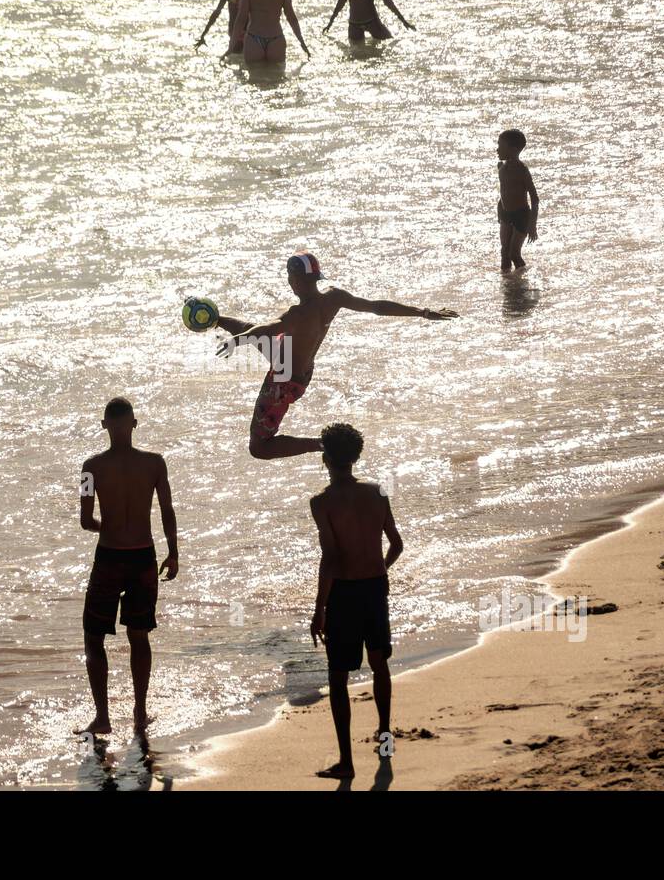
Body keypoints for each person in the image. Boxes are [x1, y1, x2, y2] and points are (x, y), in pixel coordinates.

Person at [214, 253, 458, 460]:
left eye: (290, 278)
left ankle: (324, 444)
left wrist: (236, 341)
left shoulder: (297, 314)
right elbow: (376, 307)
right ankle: (216, 319)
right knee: (255, 332)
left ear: (295, 280)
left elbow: (270, 327)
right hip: (296, 365)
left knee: (259, 448)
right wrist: (423, 312)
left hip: (284, 381)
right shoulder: (334, 297)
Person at [77, 397, 179, 735]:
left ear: (104, 425)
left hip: (109, 557)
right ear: (134, 423)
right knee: (139, 636)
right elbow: (166, 509)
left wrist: (105, 527)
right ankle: (139, 711)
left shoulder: (90, 468)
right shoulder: (155, 464)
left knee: (94, 639)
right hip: (143, 558)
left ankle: (103, 717)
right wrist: (173, 552)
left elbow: (84, 520)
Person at [308, 423, 403, 780]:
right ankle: (385, 738)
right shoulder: (377, 493)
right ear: (357, 456)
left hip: (345, 594)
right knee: (379, 662)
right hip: (375, 587)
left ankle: (346, 761)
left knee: (338, 675)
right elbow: (396, 543)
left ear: (325, 459)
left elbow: (330, 559)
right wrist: (381, 568)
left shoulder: (322, 502)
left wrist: (319, 609)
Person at [496, 128, 540, 274]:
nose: (497, 150)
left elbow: (534, 198)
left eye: (500, 146)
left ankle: (523, 282)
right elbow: (504, 192)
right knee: (504, 252)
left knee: (514, 254)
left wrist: (532, 225)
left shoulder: (522, 170)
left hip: (521, 215)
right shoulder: (501, 167)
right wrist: (499, 212)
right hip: (505, 213)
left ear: (513, 149)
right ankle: (507, 285)